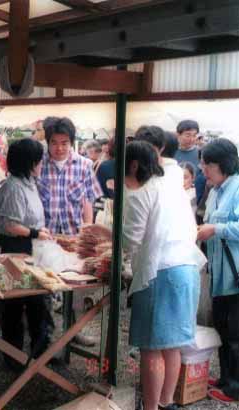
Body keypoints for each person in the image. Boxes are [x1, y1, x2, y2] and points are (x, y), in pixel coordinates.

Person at [124, 140, 204, 410]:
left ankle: (149, 407)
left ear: (133, 166)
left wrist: (107, 234)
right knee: (172, 346)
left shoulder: (141, 192)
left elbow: (130, 240)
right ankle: (166, 403)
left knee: (151, 347)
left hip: (161, 273)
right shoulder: (172, 185)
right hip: (187, 269)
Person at [0, 138, 53, 369]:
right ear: (30, 163)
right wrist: (37, 233)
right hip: (14, 248)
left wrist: (39, 232)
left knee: (38, 301)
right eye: (39, 161)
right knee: (15, 304)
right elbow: (11, 225)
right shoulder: (13, 186)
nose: (41, 165)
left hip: (30, 247)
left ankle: (39, 354)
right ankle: (13, 357)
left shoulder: (28, 182)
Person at [196, 138, 239, 405]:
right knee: (222, 329)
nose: (203, 169)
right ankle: (225, 378)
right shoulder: (214, 190)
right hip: (219, 274)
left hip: (236, 275)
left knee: (236, 334)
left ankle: (236, 388)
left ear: (222, 164)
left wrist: (217, 230)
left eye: (207, 164)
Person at [38, 117, 102, 236]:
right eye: (54, 142)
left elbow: (88, 202)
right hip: (45, 235)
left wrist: (87, 233)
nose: (59, 148)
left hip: (74, 235)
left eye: (64, 143)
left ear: (71, 142)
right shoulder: (39, 165)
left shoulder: (85, 165)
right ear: (48, 142)